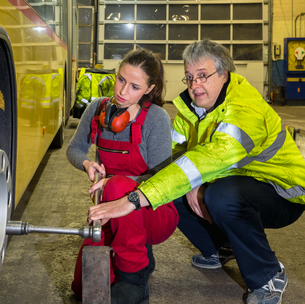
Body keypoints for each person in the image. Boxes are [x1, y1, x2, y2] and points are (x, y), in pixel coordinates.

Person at [88, 39, 305, 304]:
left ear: (224, 75)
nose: (194, 85)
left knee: (220, 197)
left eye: (203, 76)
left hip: (282, 190)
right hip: (235, 180)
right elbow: (171, 162)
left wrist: (133, 199)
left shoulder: (244, 110)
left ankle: (268, 276)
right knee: (173, 192)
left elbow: (209, 160)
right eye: (189, 77)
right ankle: (219, 248)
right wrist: (132, 181)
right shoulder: (191, 110)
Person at [66, 48, 179, 304]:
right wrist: (86, 163)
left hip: (154, 210)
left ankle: (135, 281)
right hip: (111, 208)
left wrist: (112, 182)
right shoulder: (98, 109)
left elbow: (161, 176)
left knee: (117, 186)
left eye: (135, 86)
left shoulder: (157, 119)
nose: (122, 91)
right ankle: (139, 255)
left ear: (149, 89)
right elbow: (74, 149)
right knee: (85, 288)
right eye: (121, 79)